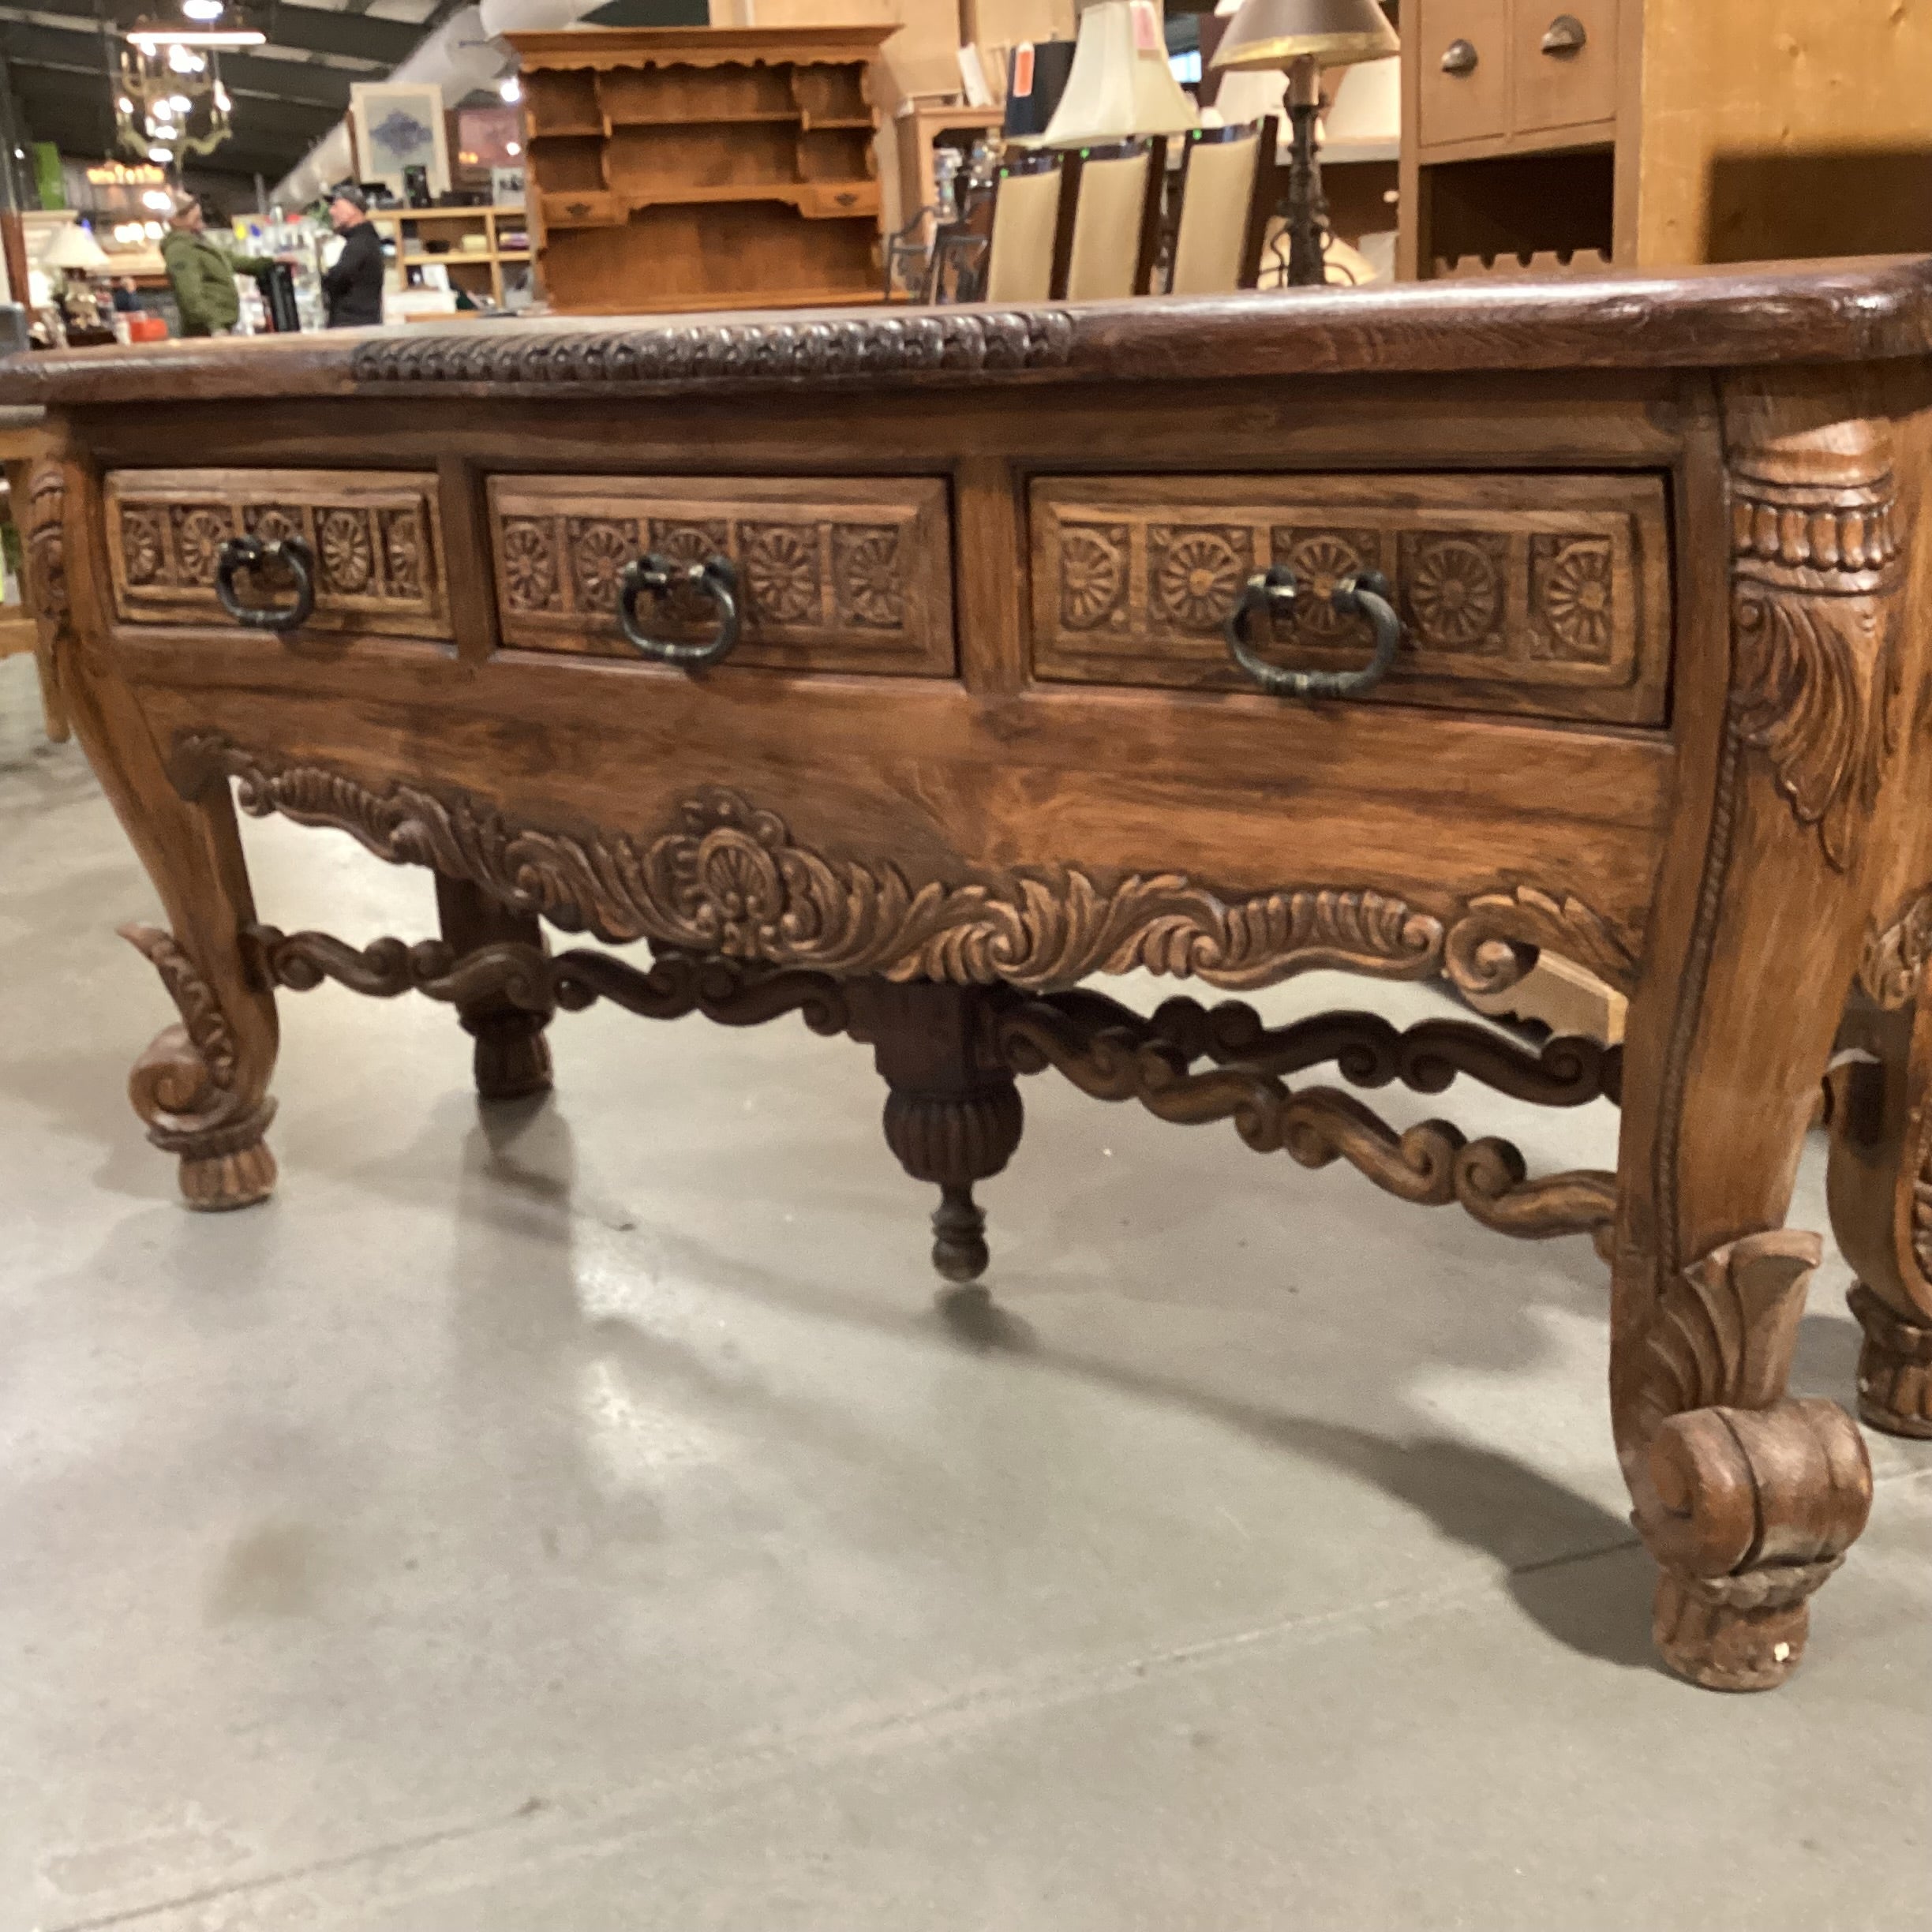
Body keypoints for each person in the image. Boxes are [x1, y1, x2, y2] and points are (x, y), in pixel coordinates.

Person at [159, 195, 272, 338]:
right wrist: (214, 327)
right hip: (207, 334)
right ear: (175, 221)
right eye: (190, 211)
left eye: (195, 207)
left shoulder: (200, 244)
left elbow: (234, 260)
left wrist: (272, 262)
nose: (197, 212)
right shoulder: (180, 250)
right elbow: (190, 297)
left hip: (218, 329)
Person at [320, 184, 385, 328]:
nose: (331, 211)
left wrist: (313, 275)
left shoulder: (360, 243)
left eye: (336, 206)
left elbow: (338, 279)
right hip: (362, 326)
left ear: (351, 209)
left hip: (353, 327)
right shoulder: (366, 239)